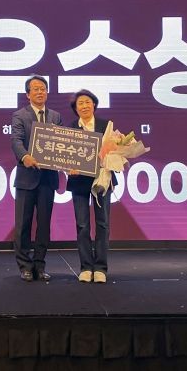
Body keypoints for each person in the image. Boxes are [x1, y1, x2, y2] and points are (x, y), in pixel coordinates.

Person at [11, 75, 62, 282]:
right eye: (36, 89)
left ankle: (40, 266)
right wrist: (25, 156)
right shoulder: (19, 115)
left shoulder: (55, 116)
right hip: (26, 178)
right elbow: (16, 141)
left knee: (44, 225)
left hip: (47, 179)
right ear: (28, 94)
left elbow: (61, 144)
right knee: (23, 225)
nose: (40, 92)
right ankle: (25, 266)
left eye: (43, 88)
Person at [66, 89, 117, 284]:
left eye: (87, 102)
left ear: (94, 104)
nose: (84, 106)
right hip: (79, 181)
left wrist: (109, 159)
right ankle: (86, 267)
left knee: (103, 223)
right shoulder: (70, 129)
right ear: (76, 108)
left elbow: (115, 152)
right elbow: (64, 156)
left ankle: (101, 268)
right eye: (80, 103)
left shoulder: (106, 126)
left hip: (101, 180)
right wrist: (68, 167)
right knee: (82, 225)